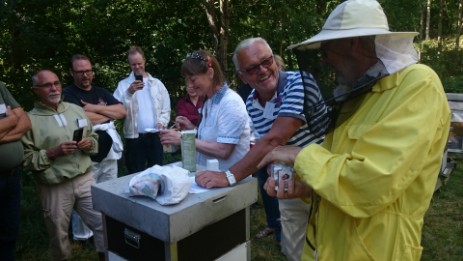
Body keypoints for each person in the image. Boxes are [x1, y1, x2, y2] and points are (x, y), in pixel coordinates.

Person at [259, 0, 451, 260]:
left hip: (377, 250)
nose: (324, 60)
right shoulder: (357, 93)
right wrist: (305, 187)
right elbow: (338, 170)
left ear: (354, 43)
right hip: (326, 245)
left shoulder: (418, 85)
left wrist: (298, 154)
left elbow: (369, 184)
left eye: (327, 48)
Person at [195, 38, 326, 261]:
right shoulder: (251, 104)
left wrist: (228, 176)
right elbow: (266, 148)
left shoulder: (299, 82)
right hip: (290, 188)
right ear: (242, 76)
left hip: (324, 182)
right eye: (252, 68)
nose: (262, 70)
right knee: (295, 251)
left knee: (327, 250)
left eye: (266, 61)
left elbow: (275, 139)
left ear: (274, 59)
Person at [21, 70, 106, 261]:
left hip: (85, 179)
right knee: (59, 236)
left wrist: (89, 144)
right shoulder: (29, 120)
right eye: (47, 85)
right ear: (35, 90)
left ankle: (106, 257)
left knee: (103, 224)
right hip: (55, 186)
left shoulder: (75, 109)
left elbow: (93, 137)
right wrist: (52, 153)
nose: (53, 88)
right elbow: (26, 159)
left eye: (56, 83)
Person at [63, 54, 126, 243]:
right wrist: (106, 112)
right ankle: (83, 236)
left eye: (88, 71)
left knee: (109, 188)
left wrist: (92, 108)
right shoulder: (68, 94)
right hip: (84, 149)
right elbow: (78, 119)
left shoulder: (101, 91)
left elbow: (122, 111)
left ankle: (107, 227)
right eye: (80, 71)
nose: (85, 75)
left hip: (108, 151)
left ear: (92, 72)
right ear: (72, 73)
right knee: (85, 194)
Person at [160, 50, 250, 171]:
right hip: (211, 180)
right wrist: (192, 129)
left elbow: (223, 150)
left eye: (193, 79)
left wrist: (182, 139)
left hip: (231, 182)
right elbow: (211, 138)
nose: (190, 85)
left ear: (210, 73)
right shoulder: (209, 101)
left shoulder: (230, 102)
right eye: (187, 80)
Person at [114, 46, 171, 174]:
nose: (137, 67)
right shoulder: (123, 85)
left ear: (145, 61)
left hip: (155, 136)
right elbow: (116, 110)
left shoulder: (157, 84)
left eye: (139, 63)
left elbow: (166, 108)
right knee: (134, 175)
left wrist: (162, 122)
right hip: (134, 138)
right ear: (129, 64)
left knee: (157, 174)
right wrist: (129, 93)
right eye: (133, 64)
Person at [0, 82, 31, 261]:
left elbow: (25, 122)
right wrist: (11, 120)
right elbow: (17, 119)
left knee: (9, 234)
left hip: (12, 176)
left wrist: (6, 134)